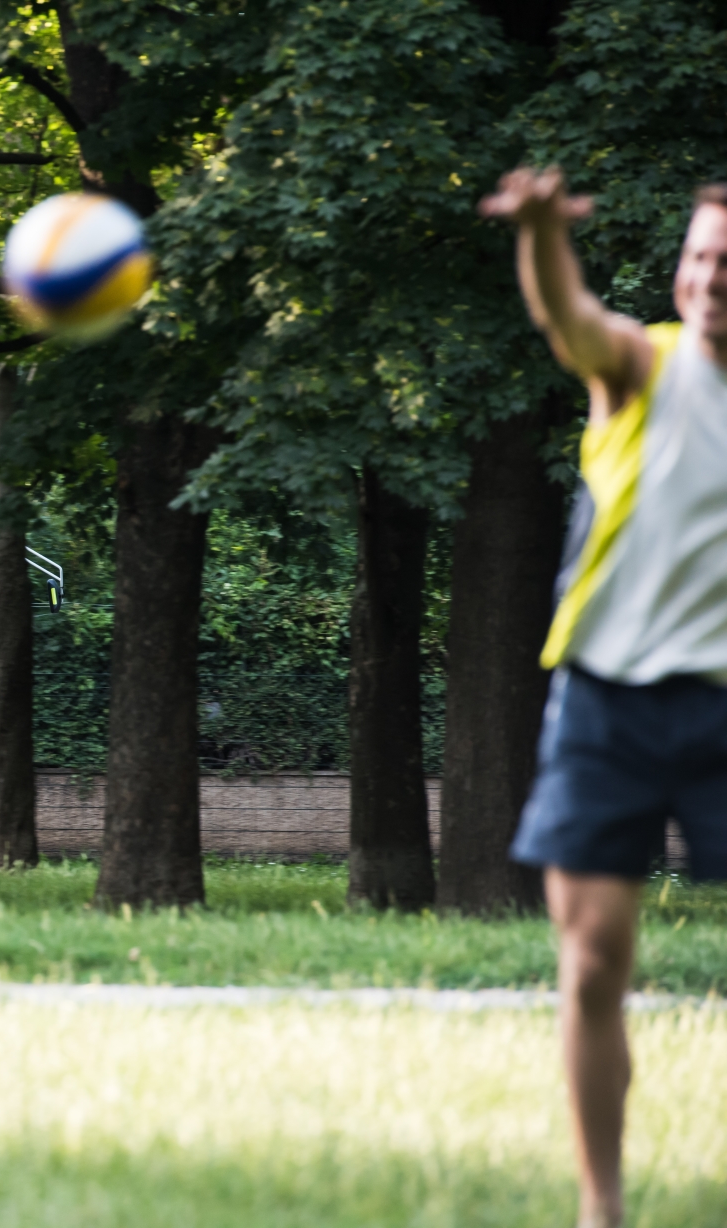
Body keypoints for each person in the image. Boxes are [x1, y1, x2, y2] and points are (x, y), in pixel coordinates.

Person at [482, 170, 727, 1228]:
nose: (711, 278)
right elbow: (569, 317)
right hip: (610, 702)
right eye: (701, 257)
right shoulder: (640, 365)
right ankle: (602, 1209)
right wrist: (540, 234)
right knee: (589, 968)